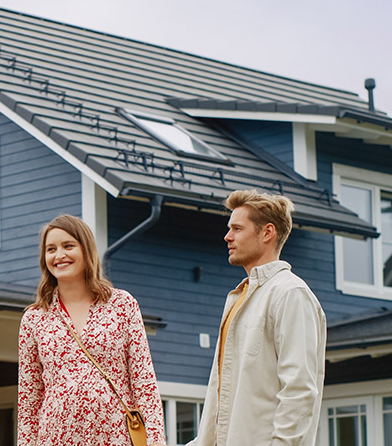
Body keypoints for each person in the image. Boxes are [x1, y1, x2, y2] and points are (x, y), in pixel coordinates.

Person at [188, 190, 326, 446]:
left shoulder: (290, 294)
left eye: (237, 228)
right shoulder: (239, 298)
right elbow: (223, 399)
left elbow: (299, 390)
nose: (227, 236)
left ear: (267, 233)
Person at [18, 214, 166, 445]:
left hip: (115, 436)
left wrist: (156, 442)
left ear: (86, 250)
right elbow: (29, 401)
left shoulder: (122, 304)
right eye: (51, 249)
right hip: (56, 439)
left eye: (68, 246)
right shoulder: (34, 318)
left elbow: (144, 383)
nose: (59, 255)